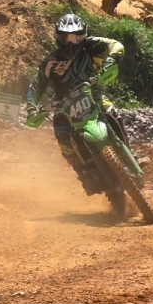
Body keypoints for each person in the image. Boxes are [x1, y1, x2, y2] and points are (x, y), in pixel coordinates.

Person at [25, 14, 125, 194]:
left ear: (83, 34)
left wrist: (111, 60)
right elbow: (35, 86)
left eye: (76, 36)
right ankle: (83, 174)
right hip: (63, 105)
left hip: (93, 92)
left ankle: (129, 152)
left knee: (111, 111)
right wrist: (32, 109)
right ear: (58, 37)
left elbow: (116, 45)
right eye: (66, 37)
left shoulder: (91, 45)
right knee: (64, 140)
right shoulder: (51, 62)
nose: (72, 42)